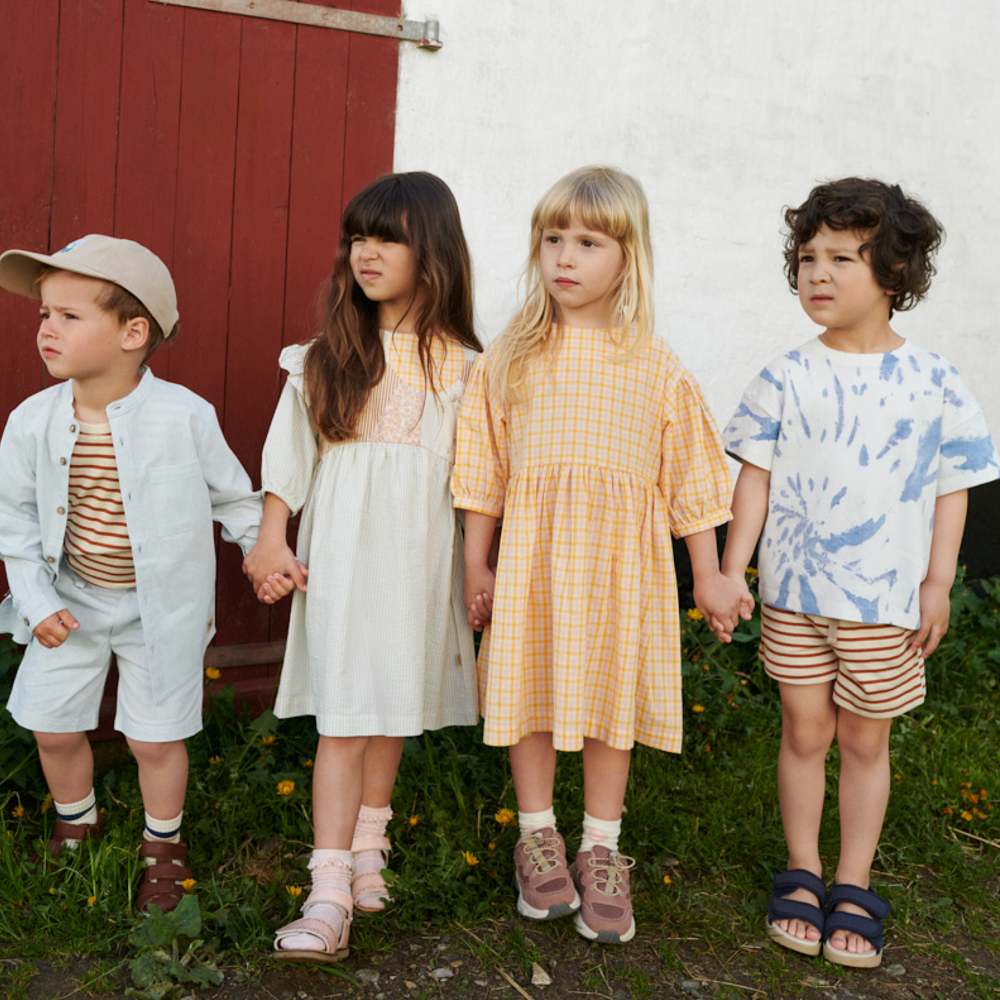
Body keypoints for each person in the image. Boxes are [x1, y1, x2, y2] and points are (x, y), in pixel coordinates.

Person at [452, 166, 745, 944]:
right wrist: (476, 564)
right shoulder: (509, 358)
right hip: (537, 562)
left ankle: (602, 849)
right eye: (553, 239)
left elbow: (692, 482)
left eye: (587, 242)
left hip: (626, 568)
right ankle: (538, 835)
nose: (565, 258)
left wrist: (712, 574)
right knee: (531, 687)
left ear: (628, 258)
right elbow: (484, 473)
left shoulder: (655, 364)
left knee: (614, 696)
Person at [721, 178, 999, 967]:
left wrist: (939, 582)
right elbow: (756, 479)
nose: (818, 273)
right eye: (807, 257)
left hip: (881, 602)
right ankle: (804, 869)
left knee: (863, 741)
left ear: (894, 274)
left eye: (842, 257)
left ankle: (854, 877)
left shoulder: (933, 380)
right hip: (795, 597)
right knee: (805, 731)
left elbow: (955, 485)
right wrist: (733, 567)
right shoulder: (786, 375)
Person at [243, 172, 483, 963]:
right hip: (344, 552)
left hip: (420, 556)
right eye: (357, 237)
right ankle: (328, 887)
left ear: (435, 253)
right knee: (345, 715)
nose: (365, 252)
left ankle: (371, 849)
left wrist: (480, 567)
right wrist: (272, 538)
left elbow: (480, 477)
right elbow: (290, 458)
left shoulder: (467, 368)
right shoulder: (326, 356)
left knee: (389, 707)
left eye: (387, 237)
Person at [0, 234, 261, 911]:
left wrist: (264, 552)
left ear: (132, 331)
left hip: (160, 610)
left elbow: (234, 499)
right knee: (51, 726)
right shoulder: (32, 423)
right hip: (69, 604)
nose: (47, 329)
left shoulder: (184, 417)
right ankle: (76, 821)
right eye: (42, 316)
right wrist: (33, 602)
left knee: (155, 736)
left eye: (68, 315)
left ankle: (163, 846)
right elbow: (17, 526)